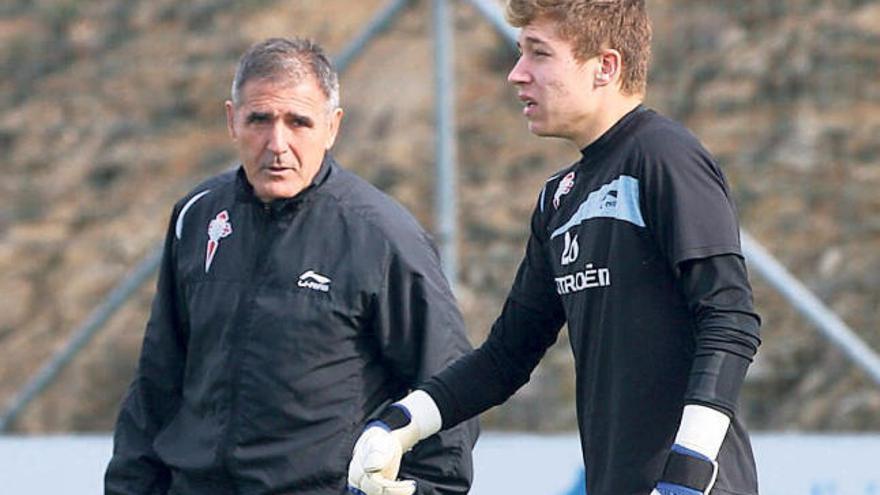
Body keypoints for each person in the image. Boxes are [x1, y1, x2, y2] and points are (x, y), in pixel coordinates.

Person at [347, 1, 761, 494]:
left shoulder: (665, 156)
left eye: (538, 54)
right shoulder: (559, 198)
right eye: (520, 53)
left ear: (605, 67)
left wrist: (688, 474)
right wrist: (399, 424)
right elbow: (506, 357)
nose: (516, 74)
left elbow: (731, 318)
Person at [104, 37, 478, 495]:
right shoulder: (198, 217)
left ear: (332, 127)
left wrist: (428, 491)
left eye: (298, 122)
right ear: (231, 121)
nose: (277, 143)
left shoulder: (382, 236)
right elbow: (157, 382)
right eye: (259, 119)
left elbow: (448, 389)